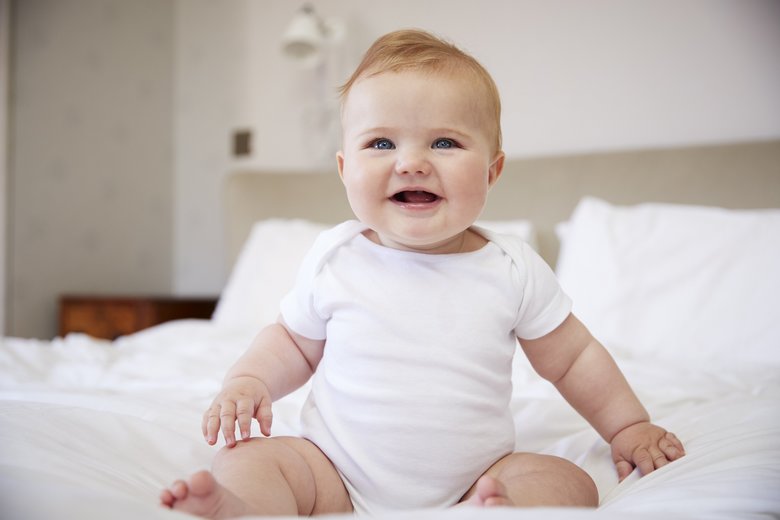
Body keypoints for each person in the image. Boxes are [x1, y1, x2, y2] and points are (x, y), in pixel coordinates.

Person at [160, 29, 685, 518]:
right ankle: (244, 506)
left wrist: (628, 425)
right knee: (250, 457)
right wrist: (249, 381)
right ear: (345, 169)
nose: (411, 163)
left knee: (571, 482)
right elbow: (293, 345)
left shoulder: (510, 268)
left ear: (492, 170)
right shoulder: (335, 258)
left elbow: (573, 360)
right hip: (333, 473)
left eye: (444, 143)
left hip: (475, 477)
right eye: (382, 144)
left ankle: (500, 506)